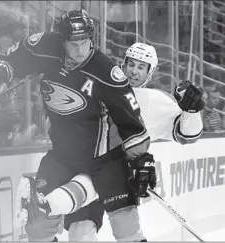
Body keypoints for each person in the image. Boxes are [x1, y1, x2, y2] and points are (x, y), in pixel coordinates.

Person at [0, 10, 156, 242]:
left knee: (126, 227)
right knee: (37, 227)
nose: (80, 49)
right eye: (73, 43)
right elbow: (17, 59)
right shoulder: (47, 47)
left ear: (92, 39)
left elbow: (132, 122)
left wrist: (141, 160)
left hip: (104, 159)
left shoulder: (108, 74)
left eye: (84, 42)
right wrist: (2, 71)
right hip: (63, 155)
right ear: (62, 40)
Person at [31, 42, 206, 241]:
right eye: (131, 64)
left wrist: (192, 111)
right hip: (87, 165)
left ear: (150, 72)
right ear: (122, 65)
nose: (133, 71)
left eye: (141, 67)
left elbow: (187, 135)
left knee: (124, 229)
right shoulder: (100, 87)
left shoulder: (155, 100)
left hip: (117, 173)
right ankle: (43, 205)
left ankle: (43, 204)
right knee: (80, 233)